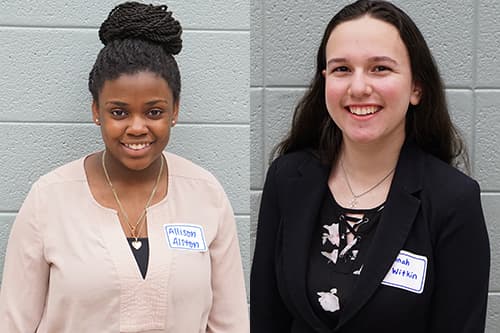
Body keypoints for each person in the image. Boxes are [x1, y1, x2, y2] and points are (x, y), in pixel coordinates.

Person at [0, 2, 249, 332]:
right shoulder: (48, 199)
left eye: (154, 112)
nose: (136, 127)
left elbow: (230, 324)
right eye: (118, 112)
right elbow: (13, 324)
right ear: (96, 111)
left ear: (175, 110)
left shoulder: (205, 194)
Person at [250, 0, 490, 332]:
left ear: (416, 87)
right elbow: (267, 317)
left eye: (380, 68)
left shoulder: (453, 200)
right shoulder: (287, 179)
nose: (359, 87)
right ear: (325, 83)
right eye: (341, 69)